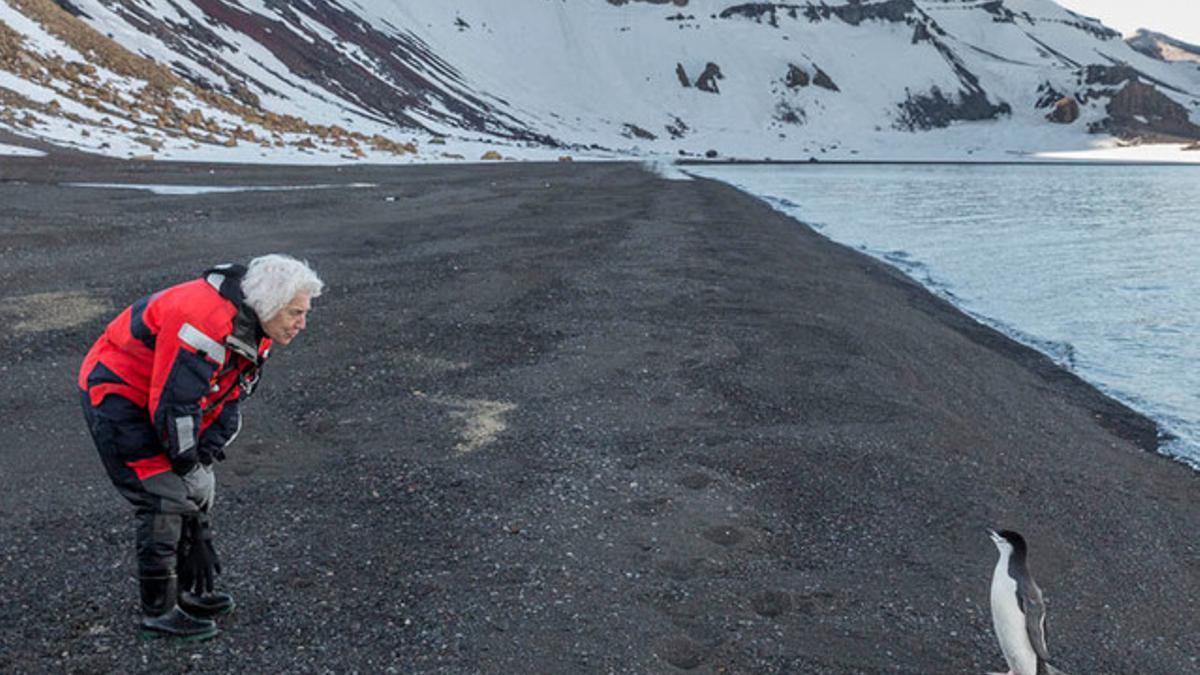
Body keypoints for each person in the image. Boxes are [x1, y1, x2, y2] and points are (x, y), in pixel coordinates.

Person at [78, 254, 323, 640]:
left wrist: (200, 464)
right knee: (162, 496)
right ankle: (158, 610)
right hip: (118, 393)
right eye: (295, 313)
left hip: (160, 398)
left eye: (304, 312)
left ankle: (186, 589)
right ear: (271, 306)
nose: (302, 323)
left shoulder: (255, 325)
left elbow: (228, 397)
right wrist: (186, 468)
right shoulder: (204, 321)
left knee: (197, 488)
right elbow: (175, 406)